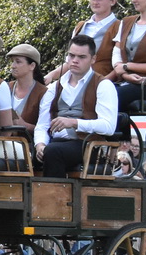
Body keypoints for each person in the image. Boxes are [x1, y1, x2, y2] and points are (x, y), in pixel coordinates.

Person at [32, 37, 120, 177]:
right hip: (56, 143)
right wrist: (40, 145)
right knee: (26, 155)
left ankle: (55, 191)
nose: (74, 60)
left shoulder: (103, 85)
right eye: (71, 55)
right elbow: (42, 125)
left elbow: (108, 126)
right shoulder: (54, 87)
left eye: (81, 57)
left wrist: (74, 123)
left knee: (54, 152)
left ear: (93, 59)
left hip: (87, 144)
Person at [49, 0, 122, 82]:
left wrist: (102, 84)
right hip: (73, 83)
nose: (95, 2)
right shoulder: (80, 26)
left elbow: (120, 64)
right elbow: (69, 62)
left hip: (103, 83)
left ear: (113, 1)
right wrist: (51, 76)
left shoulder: (120, 27)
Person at [0, 44, 45, 132]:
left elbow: (47, 128)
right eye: (12, 61)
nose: (13, 66)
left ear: (32, 66)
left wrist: (25, 126)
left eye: (18, 62)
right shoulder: (6, 87)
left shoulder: (43, 92)